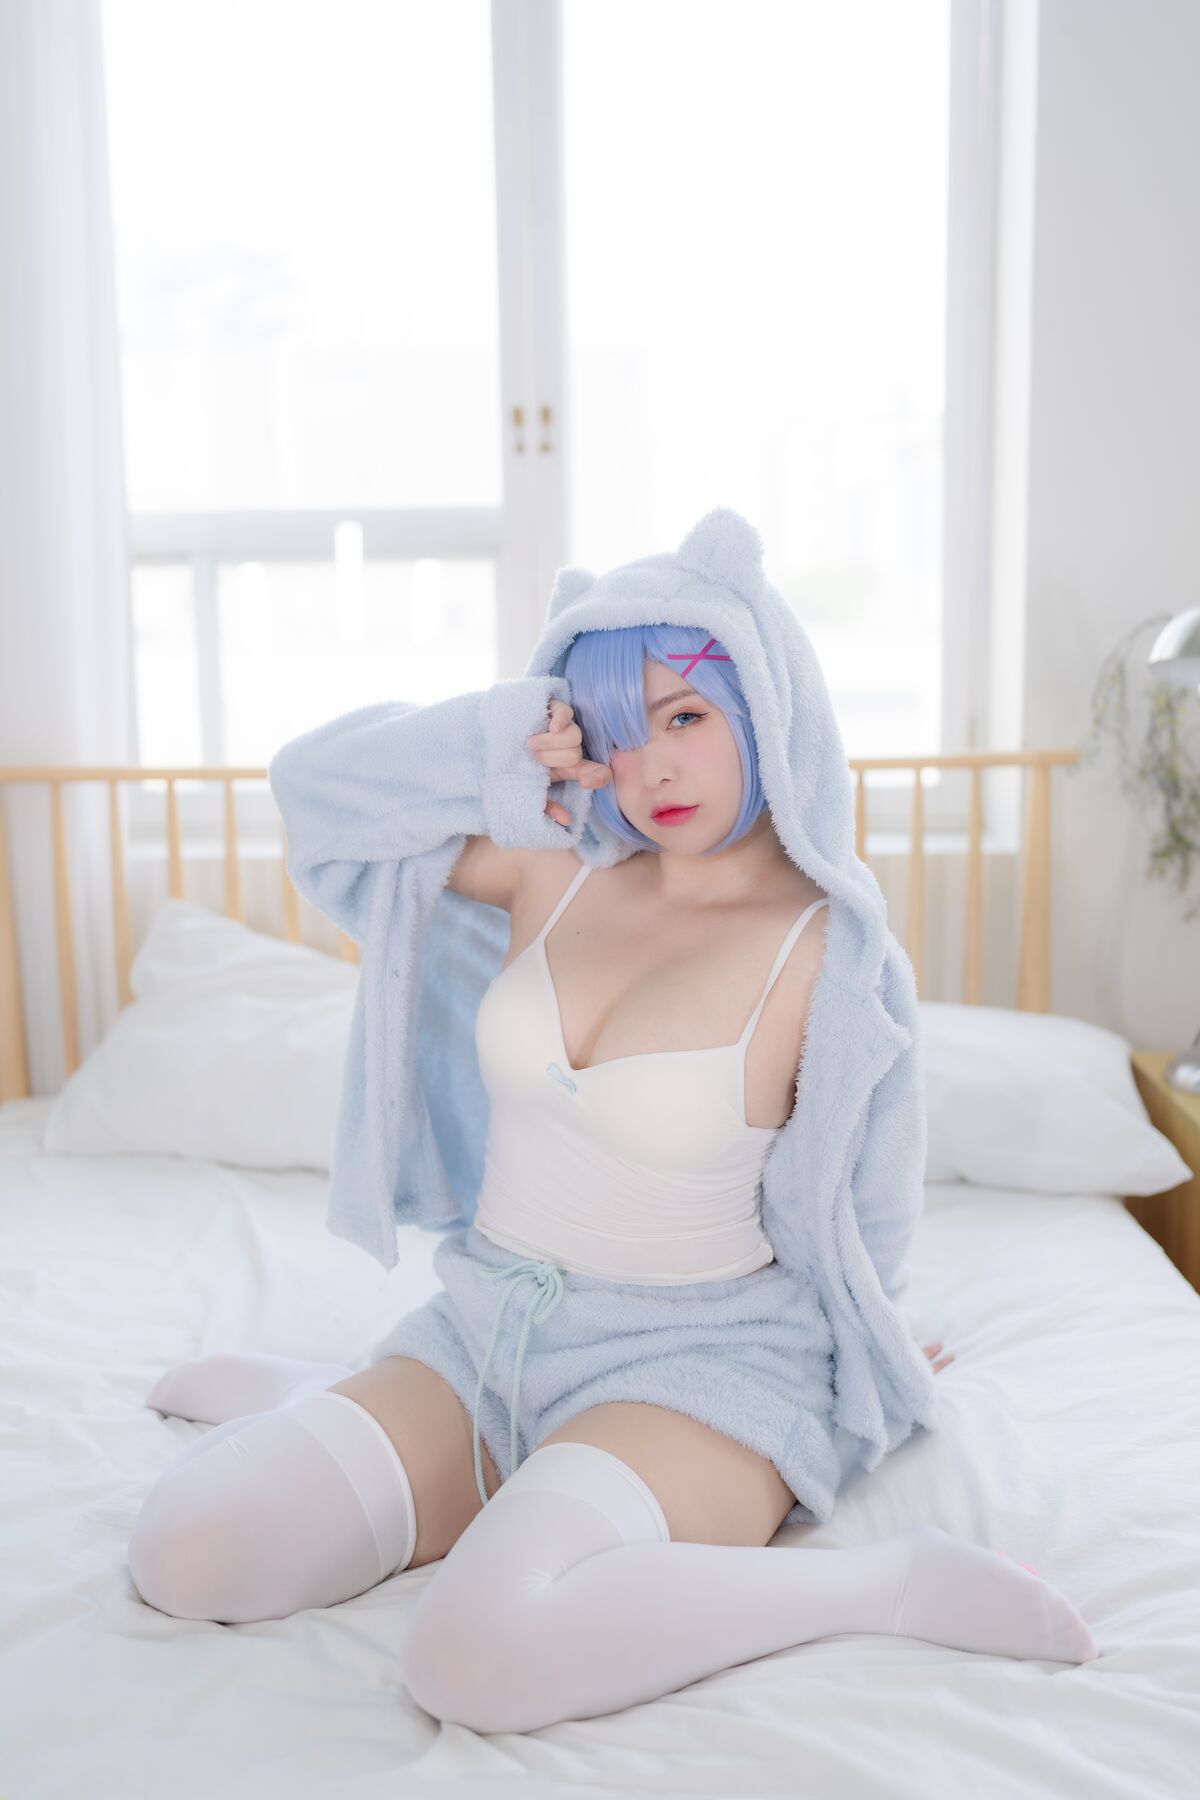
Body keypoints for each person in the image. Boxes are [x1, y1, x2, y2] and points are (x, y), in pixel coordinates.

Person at [129, 512, 1098, 1733]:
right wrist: (502, 737)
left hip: (697, 1367)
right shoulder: (549, 862)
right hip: (485, 1333)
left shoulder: (835, 954)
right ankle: (341, 1396)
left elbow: (869, 1204)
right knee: (189, 1553)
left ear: (765, 702)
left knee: (473, 1660)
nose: (653, 772)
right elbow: (315, 795)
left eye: (684, 718)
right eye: (617, 733)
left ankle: (888, 1585)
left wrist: (877, 1335)